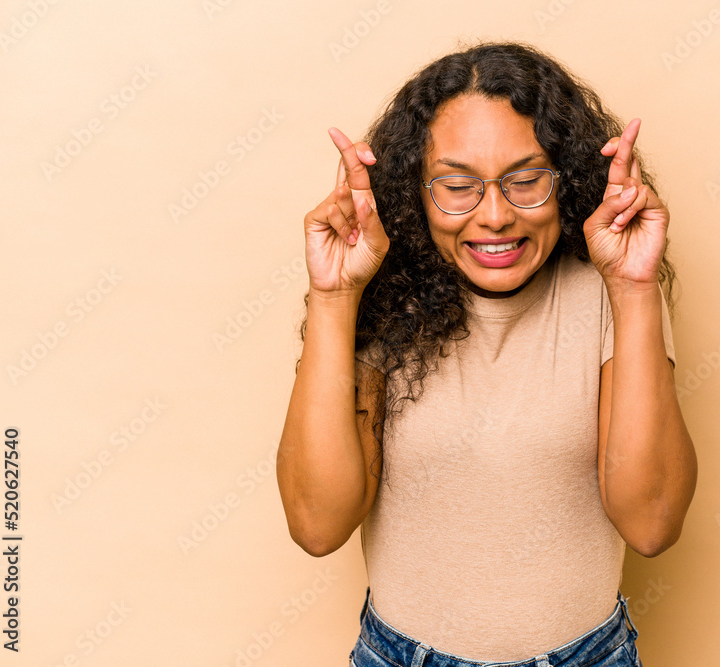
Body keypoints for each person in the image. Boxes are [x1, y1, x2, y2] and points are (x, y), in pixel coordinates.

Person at [277, 41, 698, 667]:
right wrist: (334, 297)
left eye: (527, 181)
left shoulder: (612, 292)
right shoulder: (381, 302)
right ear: (413, 192)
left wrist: (635, 290)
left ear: (568, 179)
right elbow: (316, 524)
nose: (495, 216)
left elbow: (653, 522)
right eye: (456, 185)